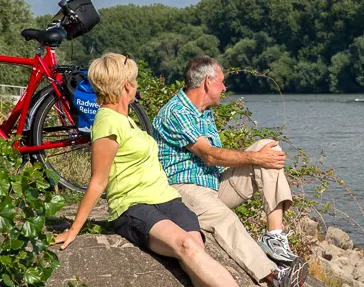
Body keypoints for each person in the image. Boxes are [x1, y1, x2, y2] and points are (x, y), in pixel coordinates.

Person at [54, 53, 238, 287]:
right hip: (134, 206)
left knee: (195, 252)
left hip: (168, 200)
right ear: (126, 85)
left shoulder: (126, 119)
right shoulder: (107, 121)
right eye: (135, 79)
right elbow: (98, 181)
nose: (137, 84)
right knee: (187, 246)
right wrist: (74, 229)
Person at [152, 55, 307, 287]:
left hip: (213, 185)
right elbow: (210, 155)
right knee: (225, 218)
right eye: (221, 82)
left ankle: (274, 238)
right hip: (182, 190)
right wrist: (255, 158)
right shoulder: (176, 112)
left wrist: (259, 157)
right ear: (207, 82)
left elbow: (217, 159)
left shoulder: (204, 112)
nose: (224, 88)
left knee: (268, 147)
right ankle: (274, 276)